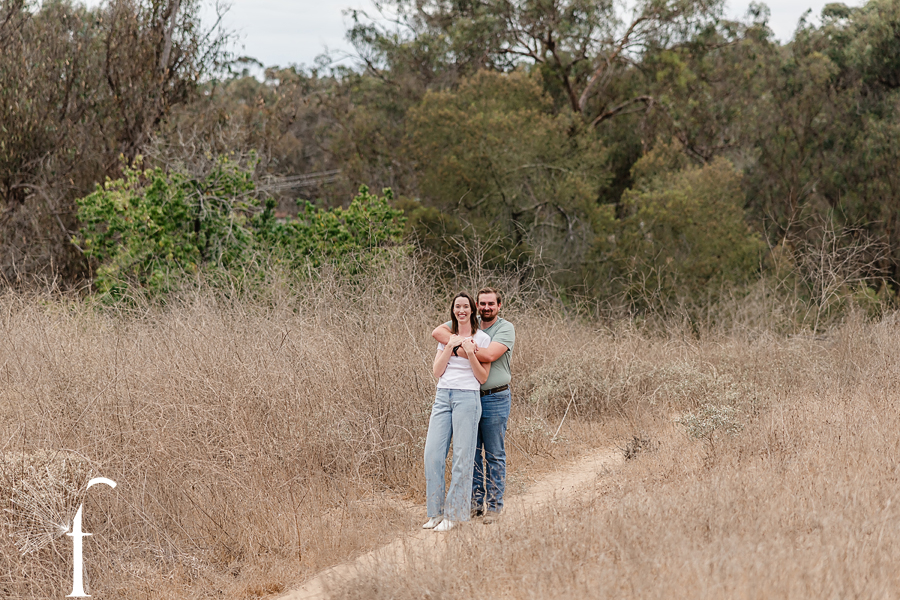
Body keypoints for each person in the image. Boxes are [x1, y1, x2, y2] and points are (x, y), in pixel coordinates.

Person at [432, 287, 514, 524]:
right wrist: (460, 342)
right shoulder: (471, 322)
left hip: (495, 397)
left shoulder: (505, 329)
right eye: (482, 304)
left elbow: (488, 356)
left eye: (491, 304)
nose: (486, 308)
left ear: (499, 306)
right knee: (471, 453)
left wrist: (465, 347)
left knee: (494, 453)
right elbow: (438, 332)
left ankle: (495, 507)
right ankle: (475, 505)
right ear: (477, 306)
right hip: (469, 396)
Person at [423, 292, 492, 532]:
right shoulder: (447, 336)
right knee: (432, 453)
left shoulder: (482, 338)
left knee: (463, 458)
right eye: (457, 306)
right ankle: (436, 513)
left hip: (467, 398)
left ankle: (455, 514)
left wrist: (471, 352)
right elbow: (437, 371)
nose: (461, 310)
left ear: (472, 310)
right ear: (453, 310)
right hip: (443, 396)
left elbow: (482, 377)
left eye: (465, 306)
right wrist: (450, 345)